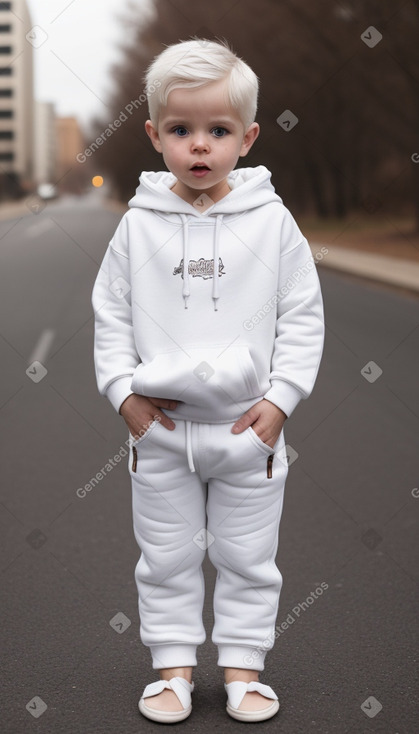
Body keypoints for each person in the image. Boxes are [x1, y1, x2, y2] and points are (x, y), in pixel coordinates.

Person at [91, 37, 325, 724]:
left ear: (247, 137)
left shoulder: (273, 222)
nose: (200, 146)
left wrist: (280, 403)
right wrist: (124, 397)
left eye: (217, 131)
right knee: (163, 560)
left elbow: (301, 317)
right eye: (181, 130)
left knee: (249, 559)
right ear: (154, 135)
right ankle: (172, 672)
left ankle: (243, 672)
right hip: (158, 432)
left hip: (245, 432)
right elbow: (109, 316)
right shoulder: (136, 228)